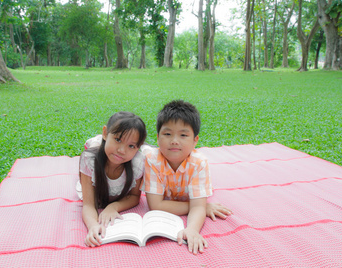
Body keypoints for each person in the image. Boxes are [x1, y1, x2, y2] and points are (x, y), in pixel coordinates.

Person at [141, 100, 232, 255]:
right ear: (157, 137)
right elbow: (156, 205)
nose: (175, 140)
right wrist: (201, 207)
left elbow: (194, 207)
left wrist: (192, 229)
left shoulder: (199, 163)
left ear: (195, 140)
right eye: (167, 134)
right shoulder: (152, 160)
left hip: (186, 197)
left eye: (183, 135)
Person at [77, 111, 147, 247]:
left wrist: (113, 207)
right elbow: (88, 204)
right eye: (118, 139)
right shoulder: (89, 160)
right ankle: (95, 141)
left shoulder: (137, 163)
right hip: (98, 184)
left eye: (131, 146)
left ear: (138, 148)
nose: (122, 150)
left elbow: (134, 196)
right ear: (105, 133)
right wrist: (92, 226)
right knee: (95, 148)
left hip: (117, 195)